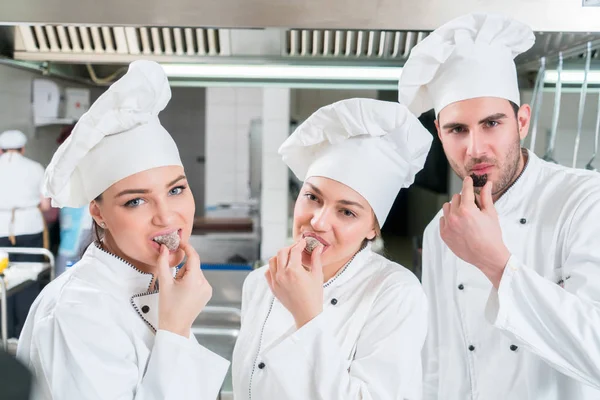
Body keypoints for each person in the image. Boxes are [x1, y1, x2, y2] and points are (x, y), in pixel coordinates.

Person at [399, 12, 600, 400]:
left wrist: (495, 262)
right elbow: (436, 364)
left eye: (492, 124)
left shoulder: (584, 201)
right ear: (439, 133)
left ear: (521, 121)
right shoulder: (442, 231)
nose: (475, 149)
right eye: (458, 129)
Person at [16, 60, 229, 399]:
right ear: (98, 213)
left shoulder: (154, 284)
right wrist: (175, 329)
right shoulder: (79, 312)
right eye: (136, 201)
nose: (166, 216)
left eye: (176, 190)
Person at [232, 98, 433, 399]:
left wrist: (308, 315)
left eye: (347, 212)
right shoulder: (259, 282)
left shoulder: (395, 293)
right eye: (313, 197)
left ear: (372, 228)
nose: (318, 221)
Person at [0, 129, 51, 338]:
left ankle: (5, 331)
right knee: (29, 277)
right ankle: (25, 333)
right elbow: (46, 205)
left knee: (3, 279)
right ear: (23, 148)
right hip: (30, 227)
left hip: (1, 229)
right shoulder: (36, 167)